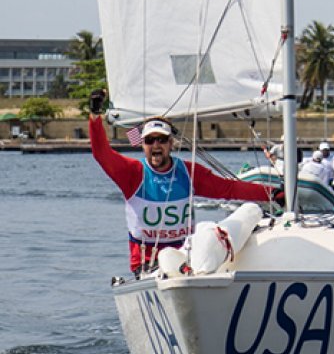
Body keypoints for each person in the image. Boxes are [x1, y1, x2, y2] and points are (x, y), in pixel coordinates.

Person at [88, 89, 279, 277]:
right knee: (167, 259)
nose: (156, 145)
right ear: (143, 144)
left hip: (188, 260)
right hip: (147, 267)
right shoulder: (132, 173)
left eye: (162, 140)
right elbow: (101, 153)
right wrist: (95, 117)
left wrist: (272, 193)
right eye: (150, 140)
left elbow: (229, 189)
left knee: (212, 229)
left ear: (171, 143)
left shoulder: (188, 173)